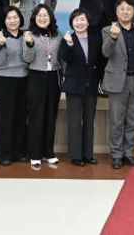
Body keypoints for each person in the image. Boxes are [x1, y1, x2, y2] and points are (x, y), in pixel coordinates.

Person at [101, 0, 134, 169]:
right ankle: (116, 155)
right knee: (117, 121)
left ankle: (128, 153)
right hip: (117, 81)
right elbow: (105, 53)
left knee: (133, 120)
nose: (125, 12)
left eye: (128, 9)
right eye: (122, 9)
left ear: (133, 11)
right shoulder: (108, 30)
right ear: (116, 12)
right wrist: (113, 38)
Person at [59, 9, 104, 167]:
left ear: (88, 22)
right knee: (74, 122)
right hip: (74, 86)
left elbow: (100, 62)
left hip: (91, 85)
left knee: (89, 121)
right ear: (72, 23)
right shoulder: (67, 39)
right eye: (76, 20)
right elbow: (65, 58)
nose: (80, 23)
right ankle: (76, 155)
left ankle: (88, 154)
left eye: (82, 19)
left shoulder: (96, 40)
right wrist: (69, 45)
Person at [23, 4, 63, 167]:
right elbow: (27, 58)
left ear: (50, 18)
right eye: (39, 15)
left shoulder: (58, 35)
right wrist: (29, 44)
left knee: (51, 115)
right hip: (36, 76)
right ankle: (35, 153)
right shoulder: (29, 34)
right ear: (34, 18)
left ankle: (48, 152)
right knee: (36, 116)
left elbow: (61, 58)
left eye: (45, 15)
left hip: (53, 77)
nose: (42, 18)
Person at [0, 6, 29, 166]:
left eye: (15, 17)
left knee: (21, 117)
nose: (12, 21)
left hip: (23, 79)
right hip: (4, 80)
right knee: (5, 118)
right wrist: (1, 46)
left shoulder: (26, 35)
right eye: (9, 18)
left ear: (20, 19)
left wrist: (29, 44)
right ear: (4, 20)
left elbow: (29, 58)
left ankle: (19, 152)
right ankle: (4, 154)